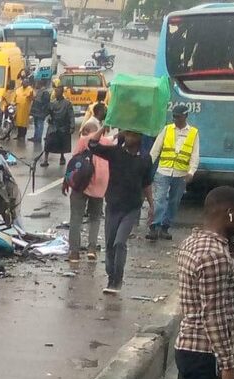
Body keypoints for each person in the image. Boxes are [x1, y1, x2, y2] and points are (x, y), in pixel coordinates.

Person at [175, 186, 234, 379]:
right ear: (229, 214)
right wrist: (228, 366)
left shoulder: (191, 242)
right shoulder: (215, 256)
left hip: (188, 348)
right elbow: (214, 315)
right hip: (205, 353)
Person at [87, 127, 154, 294]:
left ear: (140, 137)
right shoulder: (115, 153)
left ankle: (117, 280)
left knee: (119, 243)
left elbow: (146, 184)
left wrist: (152, 206)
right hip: (113, 206)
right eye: (129, 133)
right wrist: (105, 126)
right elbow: (92, 144)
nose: (131, 137)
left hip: (131, 208)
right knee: (110, 243)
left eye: (135, 134)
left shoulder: (145, 159)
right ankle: (111, 277)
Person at [64, 102, 110, 263]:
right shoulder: (108, 142)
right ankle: (92, 249)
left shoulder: (84, 140)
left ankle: (74, 253)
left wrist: (66, 181)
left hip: (81, 183)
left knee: (76, 217)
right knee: (95, 218)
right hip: (100, 185)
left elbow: (73, 162)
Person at [146, 105, 200, 241]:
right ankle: (154, 226)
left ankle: (165, 227)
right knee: (160, 199)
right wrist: (146, 166)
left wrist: (191, 172)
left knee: (174, 201)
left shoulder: (193, 133)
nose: (175, 119)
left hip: (180, 173)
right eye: (174, 116)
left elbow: (195, 154)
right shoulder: (167, 129)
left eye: (178, 116)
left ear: (185, 116)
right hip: (163, 170)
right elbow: (155, 150)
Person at [42, 86, 75, 167]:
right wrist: (48, 116)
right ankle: (45, 160)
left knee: (62, 143)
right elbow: (47, 112)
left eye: (57, 92)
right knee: (48, 142)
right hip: (53, 125)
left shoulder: (67, 103)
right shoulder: (52, 103)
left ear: (61, 92)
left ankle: (62, 157)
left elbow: (71, 115)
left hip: (63, 125)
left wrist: (72, 126)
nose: (56, 93)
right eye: (55, 92)